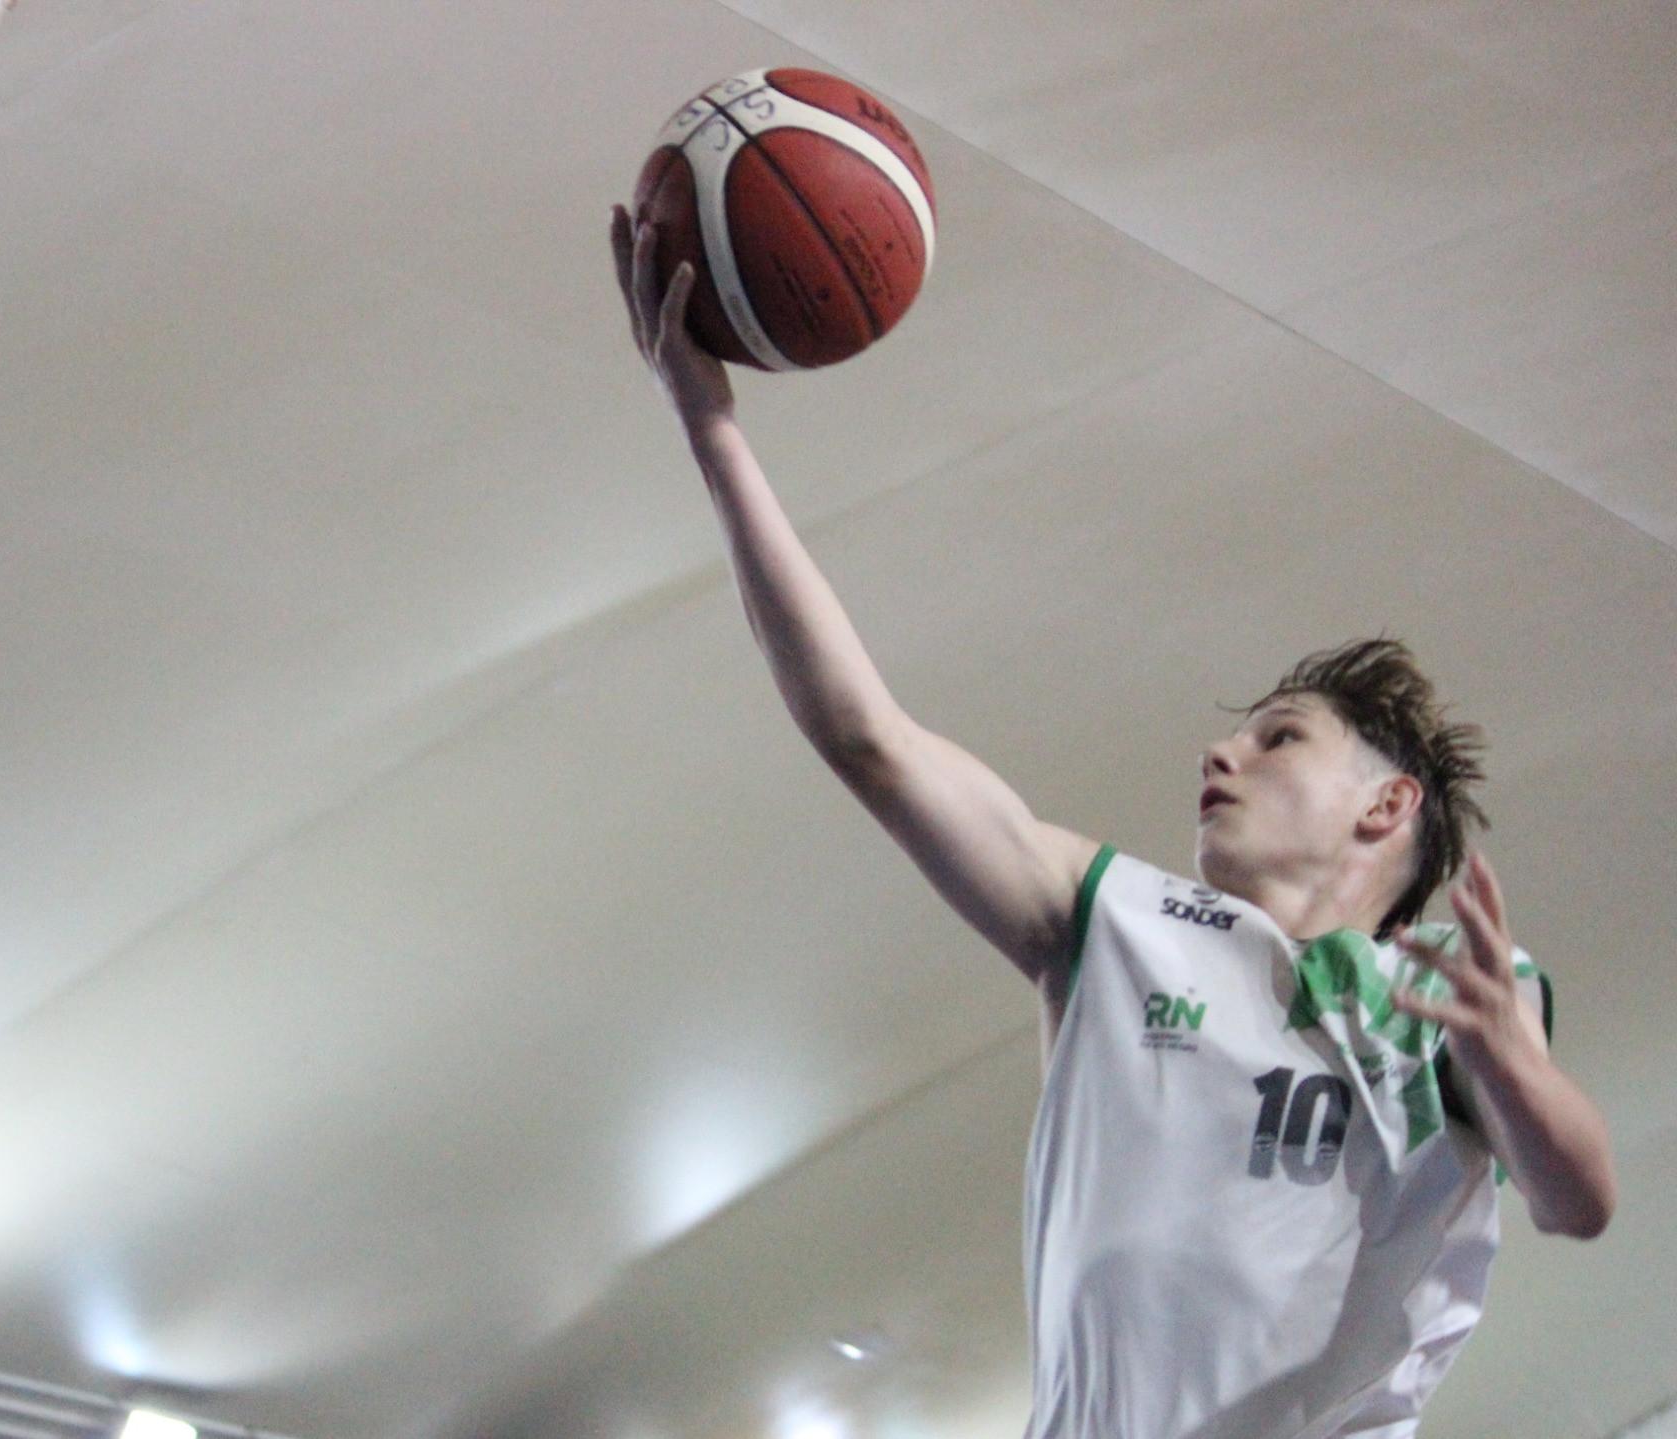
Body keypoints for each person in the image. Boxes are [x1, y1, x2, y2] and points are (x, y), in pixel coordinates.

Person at [609, 208, 1617, 1438]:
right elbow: (867, 735)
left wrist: (1515, 1069)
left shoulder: (1442, 990)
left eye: (1279, 737)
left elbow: (1576, 1201)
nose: (1221, 751)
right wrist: (709, 426)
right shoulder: (1119, 922)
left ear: (1386, 801)